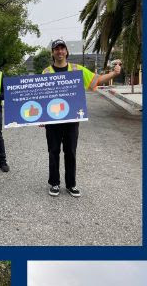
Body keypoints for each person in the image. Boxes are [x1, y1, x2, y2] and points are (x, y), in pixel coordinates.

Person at [40, 39, 121, 197]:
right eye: (56, 49)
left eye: (62, 48)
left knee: (70, 151)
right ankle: (54, 183)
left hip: (72, 119)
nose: (60, 51)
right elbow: (42, 96)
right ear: (53, 52)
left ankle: (71, 184)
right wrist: (41, 117)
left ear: (67, 52)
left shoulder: (77, 70)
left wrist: (114, 73)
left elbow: (95, 80)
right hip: (53, 120)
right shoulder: (46, 72)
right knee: (53, 151)